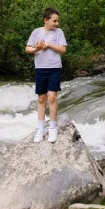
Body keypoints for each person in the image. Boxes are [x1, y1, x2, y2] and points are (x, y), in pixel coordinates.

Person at [25, 7, 67, 143]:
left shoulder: (59, 32)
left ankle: (53, 128)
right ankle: (41, 128)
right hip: (40, 69)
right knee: (42, 98)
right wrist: (37, 48)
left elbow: (63, 49)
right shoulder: (36, 32)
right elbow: (28, 48)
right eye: (54, 21)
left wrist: (48, 44)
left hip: (54, 68)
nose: (57, 24)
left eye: (57, 21)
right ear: (46, 20)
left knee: (52, 97)